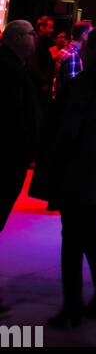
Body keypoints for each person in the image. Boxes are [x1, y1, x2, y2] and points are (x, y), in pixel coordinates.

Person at [44, 25, 96, 327]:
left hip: (76, 169)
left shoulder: (84, 85)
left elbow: (68, 130)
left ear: (92, 49)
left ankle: (73, 304)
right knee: (88, 233)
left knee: (73, 237)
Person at [0, 20, 39, 316]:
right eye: (30, 34)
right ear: (14, 38)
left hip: (14, 156)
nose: (35, 38)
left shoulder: (18, 67)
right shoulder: (8, 69)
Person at [53, 21, 92, 105]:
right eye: (90, 34)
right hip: (68, 107)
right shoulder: (73, 55)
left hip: (60, 103)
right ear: (84, 35)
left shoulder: (64, 51)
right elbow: (73, 89)